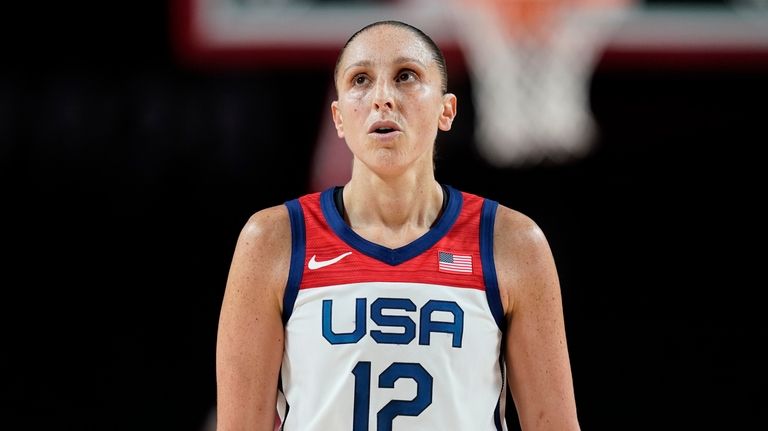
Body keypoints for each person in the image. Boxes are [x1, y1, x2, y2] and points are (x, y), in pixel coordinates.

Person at [215, 20, 581, 431]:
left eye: (406, 76)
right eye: (361, 80)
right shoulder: (273, 240)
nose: (383, 98)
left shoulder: (511, 244)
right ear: (339, 118)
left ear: (447, 110)